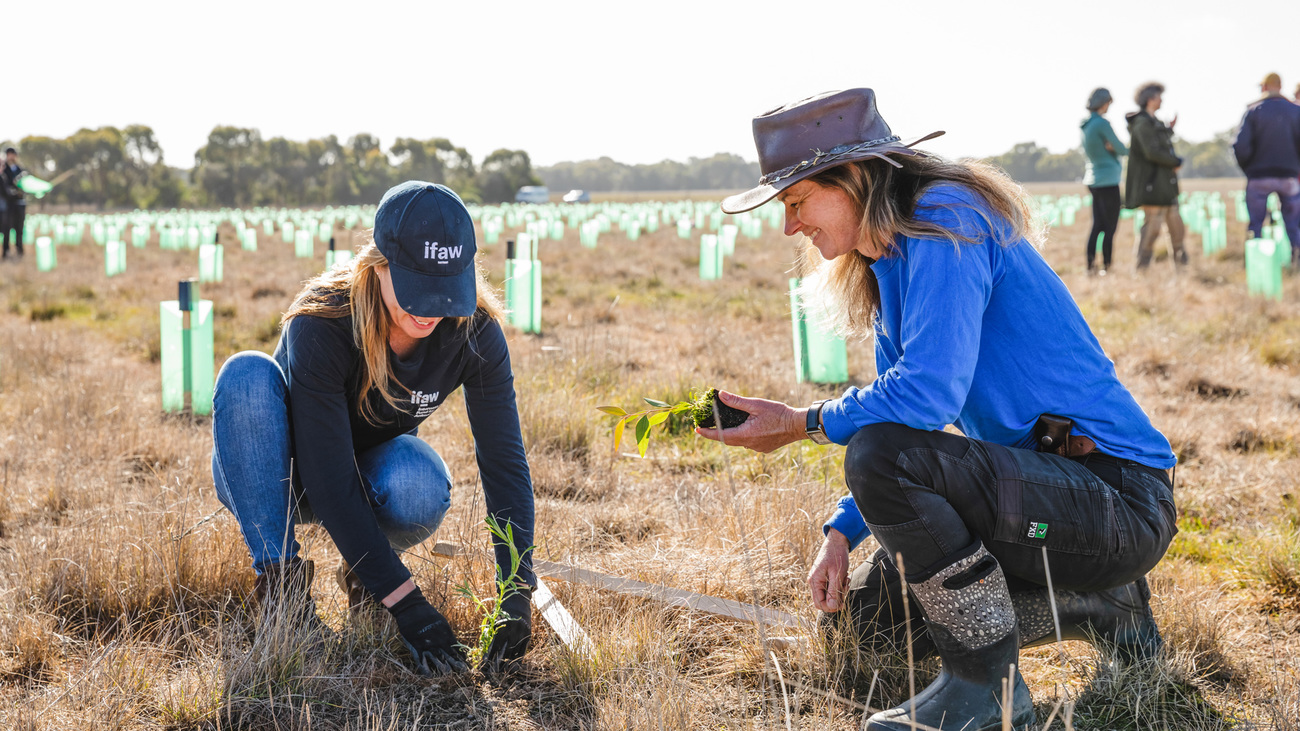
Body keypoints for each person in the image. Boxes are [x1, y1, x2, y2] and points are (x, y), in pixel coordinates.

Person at [705, 89, 1176, 731]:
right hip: (1045, 500)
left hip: (1117, 500)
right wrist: (842, 533)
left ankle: (988, 689)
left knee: (878, 457)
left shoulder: (948, 219)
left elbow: (924, 399)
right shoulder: (890, 261)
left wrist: (799, 424)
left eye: (796, 201)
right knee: (867, 624)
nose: (791, 225)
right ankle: (1099, 604)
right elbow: (910, 418)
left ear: (852, 180)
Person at [211, 181, 536, 675]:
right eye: (415, 289)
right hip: (280, 478)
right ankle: (283, 589)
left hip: (369, 481)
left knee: (418, 480)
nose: (429, 310)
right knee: (245, 374)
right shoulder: (323, 321)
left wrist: (516, 588)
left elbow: (505, 461)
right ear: (378, 264)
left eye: (443, 290)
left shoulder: (474, 334)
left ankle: (368, 587)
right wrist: (407, 600)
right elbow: (326, 476)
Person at [1232, 72, 1300, 265]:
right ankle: (1296, 259)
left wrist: (1250, 169)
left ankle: (1256, 264)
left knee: (1256, 224)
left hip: (1259, 177)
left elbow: (1240, 146)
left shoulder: (1254, 111)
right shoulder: (1296, 111)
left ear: (1264, 87)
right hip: (1289, 177)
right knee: (1293, 225)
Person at [1124, 82, 1187, 269]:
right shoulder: (1142, 124)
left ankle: (1182, 267)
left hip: (1165, 186)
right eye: (1159, 96)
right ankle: (1141, 268)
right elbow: (1152, 152)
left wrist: (1170, 129)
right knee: (1151, 230)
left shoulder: (1155, 122)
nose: (1162, 100)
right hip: (1151, 186)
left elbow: (1159, 139)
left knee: (1177, 229)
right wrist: (1175, 162)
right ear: (1150, 99)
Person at [1081, 88, 1128, 274]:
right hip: (1108, 180)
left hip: (1093, 179)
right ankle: (1107, 267)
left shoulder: (1085, 125)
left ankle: (1091, 266)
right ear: (1103, 103)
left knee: (1097, 225)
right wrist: (1115, 149)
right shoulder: (1102, 124)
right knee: (1110, 227)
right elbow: (1121, 149)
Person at [1, 148, 26, 260]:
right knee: (6, 228)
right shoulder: (4, 170)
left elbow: (25, 185)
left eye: (13, 155)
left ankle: (19, 250)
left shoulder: (21, 170)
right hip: (8, 204)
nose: (11, 157)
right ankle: (6, 251)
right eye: (9, 155)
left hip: (19, 203)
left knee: (19, 228)